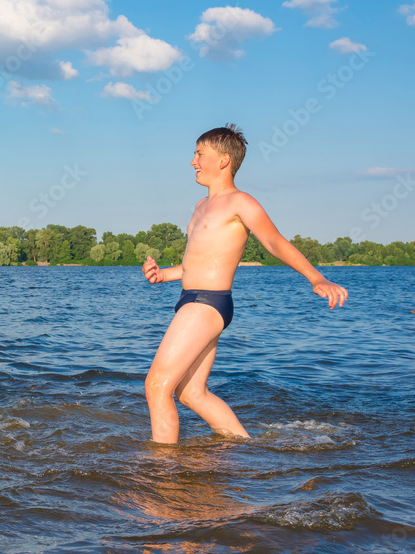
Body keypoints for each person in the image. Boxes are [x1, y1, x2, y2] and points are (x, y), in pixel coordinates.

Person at [141, 124, 347, 444]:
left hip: (207, 304)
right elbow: (197, 264)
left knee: (157, 385)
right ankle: (247, 449)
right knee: (192, 393)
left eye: (199, 154)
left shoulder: (241, 202)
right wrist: (163, 274)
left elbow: (274, 242)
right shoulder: (200, 206)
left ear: (223, 160)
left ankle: (161, 473)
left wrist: (316, 277)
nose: (192, 161)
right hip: (191, 298)